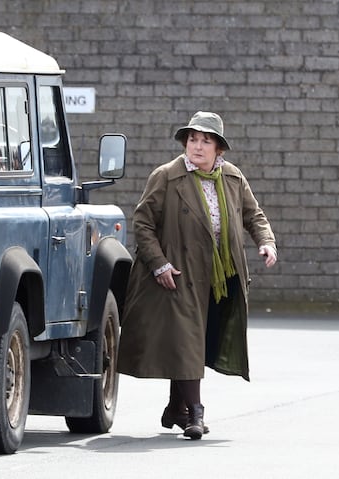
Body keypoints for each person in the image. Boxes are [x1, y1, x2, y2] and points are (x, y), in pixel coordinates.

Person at [118, 111, 277, 440]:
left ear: (219, 148)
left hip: (220, 276)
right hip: (177, 275)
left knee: (192, 342)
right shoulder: (166, 176)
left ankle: (176, 409)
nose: (198, 146)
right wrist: (159, 263)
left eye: (206, 140)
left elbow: (253, 215)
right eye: (193, 139)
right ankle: (196, 413)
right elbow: (143, 223)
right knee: (188, 340)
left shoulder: (232, 178)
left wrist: (266, 242)